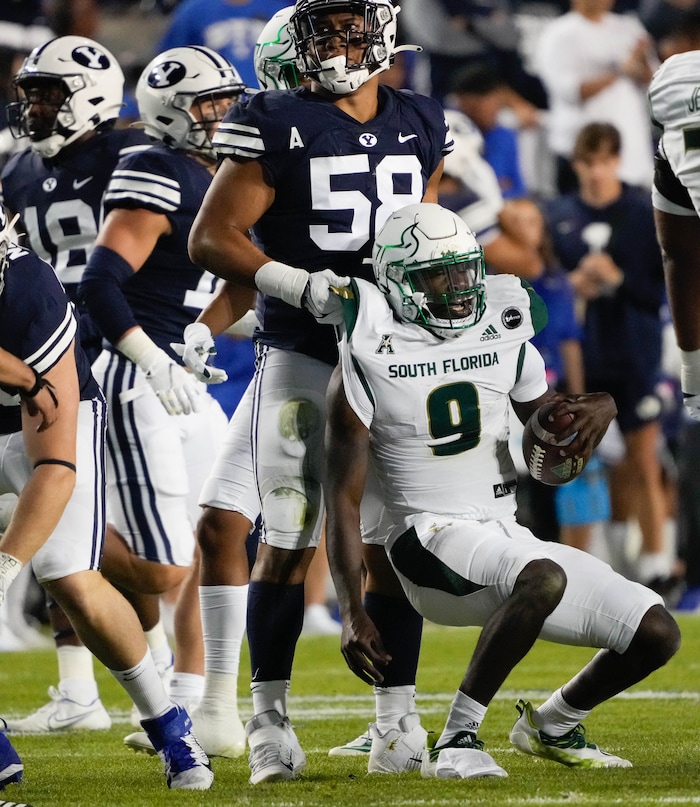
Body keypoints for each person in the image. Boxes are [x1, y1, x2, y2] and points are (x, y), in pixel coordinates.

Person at [185, 0, 450, 782]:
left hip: (392, 352)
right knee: (289, 533)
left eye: (344, 28)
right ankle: (268, 721)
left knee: (391, 539)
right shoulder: (273, 117)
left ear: (381, 32)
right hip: (303, 350)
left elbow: (425, 229)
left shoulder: (422, 119)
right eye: (320, 30)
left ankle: (396, 719)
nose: (331, 44)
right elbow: (213, 237)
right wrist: (301, 289)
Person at [323, 201, 681, 779]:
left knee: (657, 631)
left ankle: (553, 723)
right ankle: (458, 737)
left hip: (500, 532)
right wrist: (349, 607)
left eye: (464, 270)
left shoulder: (503, 328)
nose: (459, 288)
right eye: (438, 275)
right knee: (542, 575)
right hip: (424, 540)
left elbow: (552, 453)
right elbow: (341, 497)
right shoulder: (367, 352)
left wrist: (599, 410)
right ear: (397, 283)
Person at [0, 207, 214, 791]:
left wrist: (5, 567)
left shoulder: (27, 290)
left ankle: (168, 723)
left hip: (35, 435)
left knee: (67, 573)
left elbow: (55, 465)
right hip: (18, 394)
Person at [76, 45, 249, 747]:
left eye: (229, 100)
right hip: (134, 368)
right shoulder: (156, 167)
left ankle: (184, 704)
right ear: (171, 111)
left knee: (220, 531)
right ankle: (49, 536)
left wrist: (204, 335)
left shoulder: (229, 173)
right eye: (212, 103)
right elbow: (99, 284)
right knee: (163, 564)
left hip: (185, 370)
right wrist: (150, 357)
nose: (226, 114)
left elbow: (239, 283)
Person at [0, 34, 151, 734]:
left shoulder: (134, 157)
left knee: (145, 554)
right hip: (50, 352)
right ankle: (78, 690)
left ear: (91, 95)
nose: (34, 106)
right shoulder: (16, 171)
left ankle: (177, 670)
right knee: (64, 540)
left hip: (127, 355)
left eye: (49, 93)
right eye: (30, 92)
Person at [545, 122, 671, 588]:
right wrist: (570, 287)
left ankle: (655, 564)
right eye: (587, 162)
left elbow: (661, 288)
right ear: (576, 165)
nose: (596, 172)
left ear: (617, 160)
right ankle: (586, 567)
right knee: (577, 460)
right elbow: (546, 282)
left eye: (603, 161)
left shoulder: (643, 212)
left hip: (633, 351)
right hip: (582, 356)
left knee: (642, 458)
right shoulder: (559, 214)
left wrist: (617, 280)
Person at [535, 0, 657, 192]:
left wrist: (641, 61)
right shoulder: (558, 33)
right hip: (582, 147)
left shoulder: (628, 26)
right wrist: (620, 71)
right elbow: (572, 92)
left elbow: (654, 80)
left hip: (631, 144)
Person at [155, 0, 289, 90]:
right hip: (215, 104)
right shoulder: (192, 11)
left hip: (274, 99)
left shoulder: (283, 6)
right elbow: (170, 62)